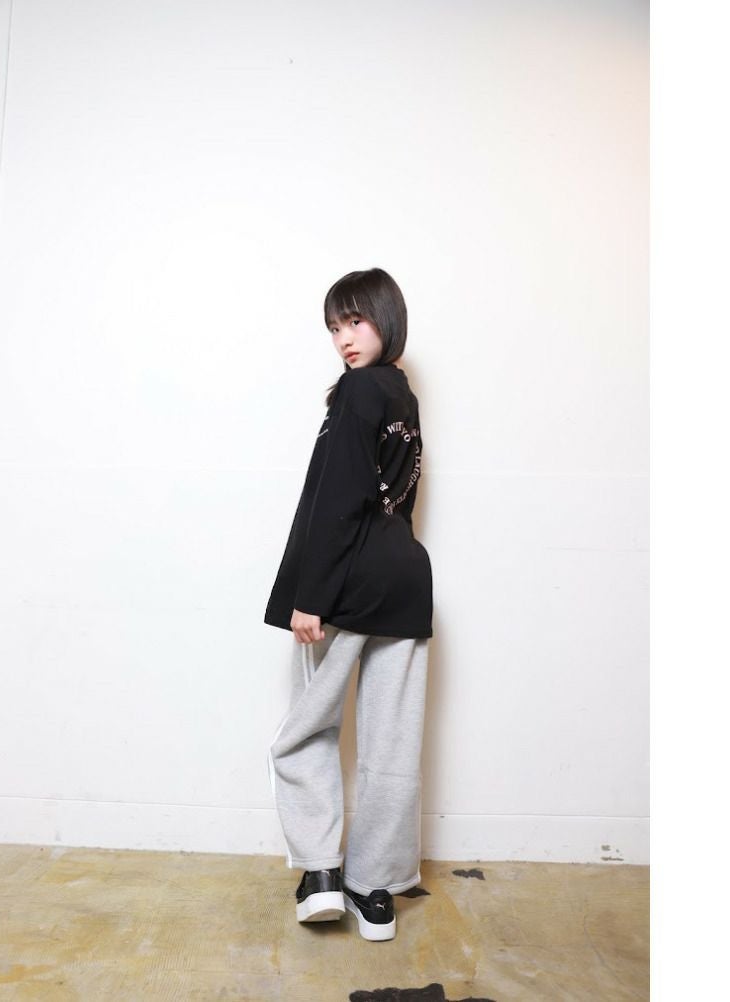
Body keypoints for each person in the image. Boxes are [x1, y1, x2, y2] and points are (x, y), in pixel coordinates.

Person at [264, 267, 433, 943]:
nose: (344, 339)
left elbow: (340, 500)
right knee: (392, 744)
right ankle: (375, 887)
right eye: (335, 327)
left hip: (347, 586)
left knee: (307, 730)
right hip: (406, 581)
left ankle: (321, 873)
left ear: (386, 318)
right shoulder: (402, 393)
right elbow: (396, 500)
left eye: (355, 322)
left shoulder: (360, 391)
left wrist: (310, 597)